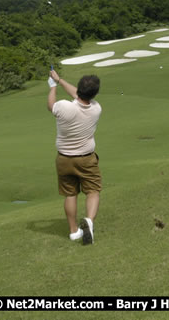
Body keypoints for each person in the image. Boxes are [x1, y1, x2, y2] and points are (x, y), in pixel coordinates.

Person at [47, 69, 102, 245]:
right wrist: (60, 80)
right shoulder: (96, 109)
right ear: (94, 94)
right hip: (86, 158)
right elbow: (78, 95)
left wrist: (53, 86)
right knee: (92, 191)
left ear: (78, 89)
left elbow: (51, 105)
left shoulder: (64, 107)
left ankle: (73, 231)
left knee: (70, 195)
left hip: (64, 159)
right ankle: (89, 221)